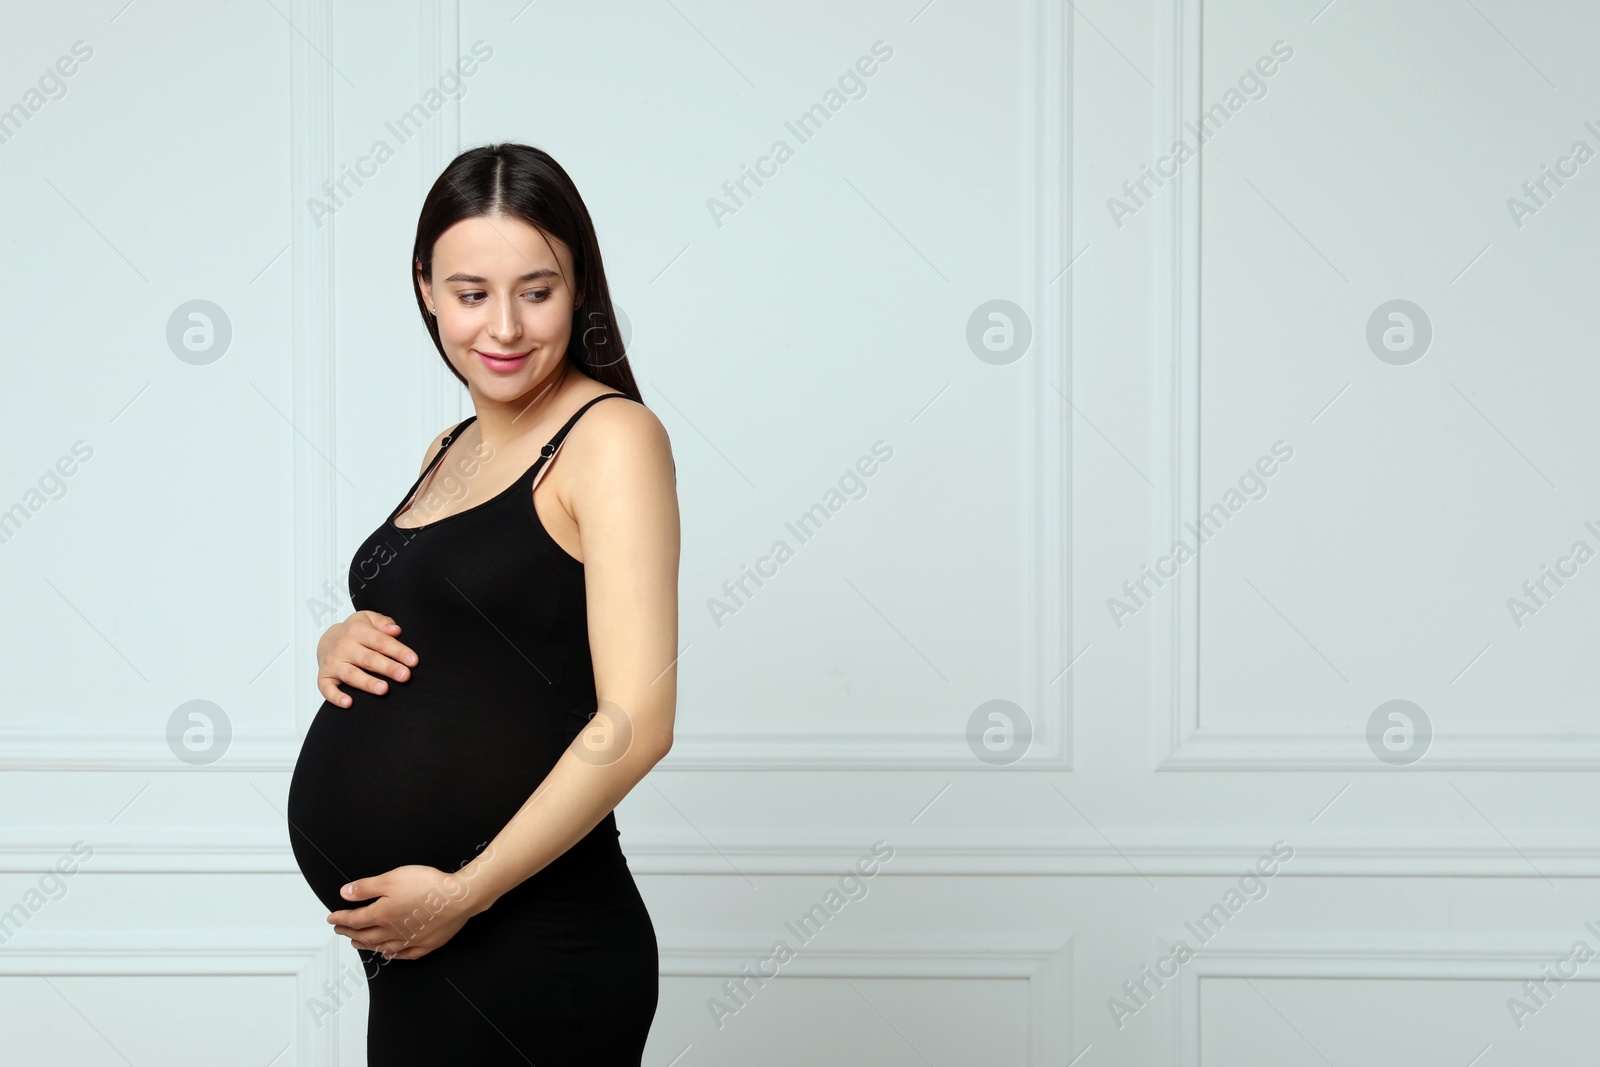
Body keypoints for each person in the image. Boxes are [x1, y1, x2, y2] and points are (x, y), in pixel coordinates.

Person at [286, 142, 678, 1064]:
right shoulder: (447, 446)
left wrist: (464, 892)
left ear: (578, 288)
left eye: (535, 291)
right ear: (425, 287)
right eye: (471, 293)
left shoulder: (609, 436)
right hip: (425, 956)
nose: (502, 326)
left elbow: (641, 716)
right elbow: (475, 642)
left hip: (532, 946)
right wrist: (341, 638)